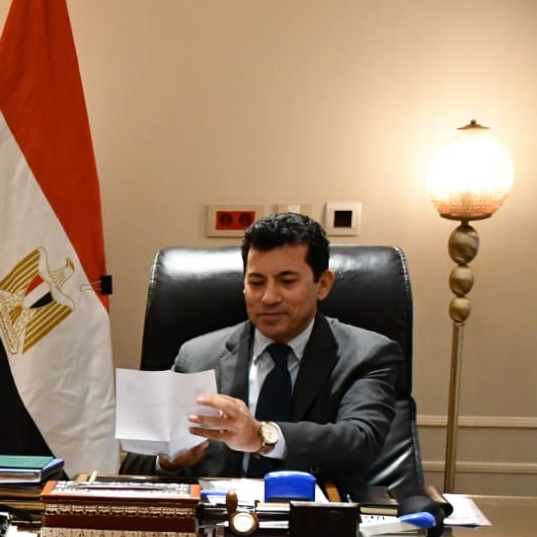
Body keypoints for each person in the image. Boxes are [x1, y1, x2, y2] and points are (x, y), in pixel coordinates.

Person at [140, 212, 402, 494]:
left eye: (287, 282)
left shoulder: (367, 354)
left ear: (323, 284)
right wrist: (170, 461)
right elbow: (137, 464)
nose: (268, 297)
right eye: (256, 283)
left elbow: (360, 439)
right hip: (219, 514)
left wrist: (262, 436)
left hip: (316, 513)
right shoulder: (197, 357)